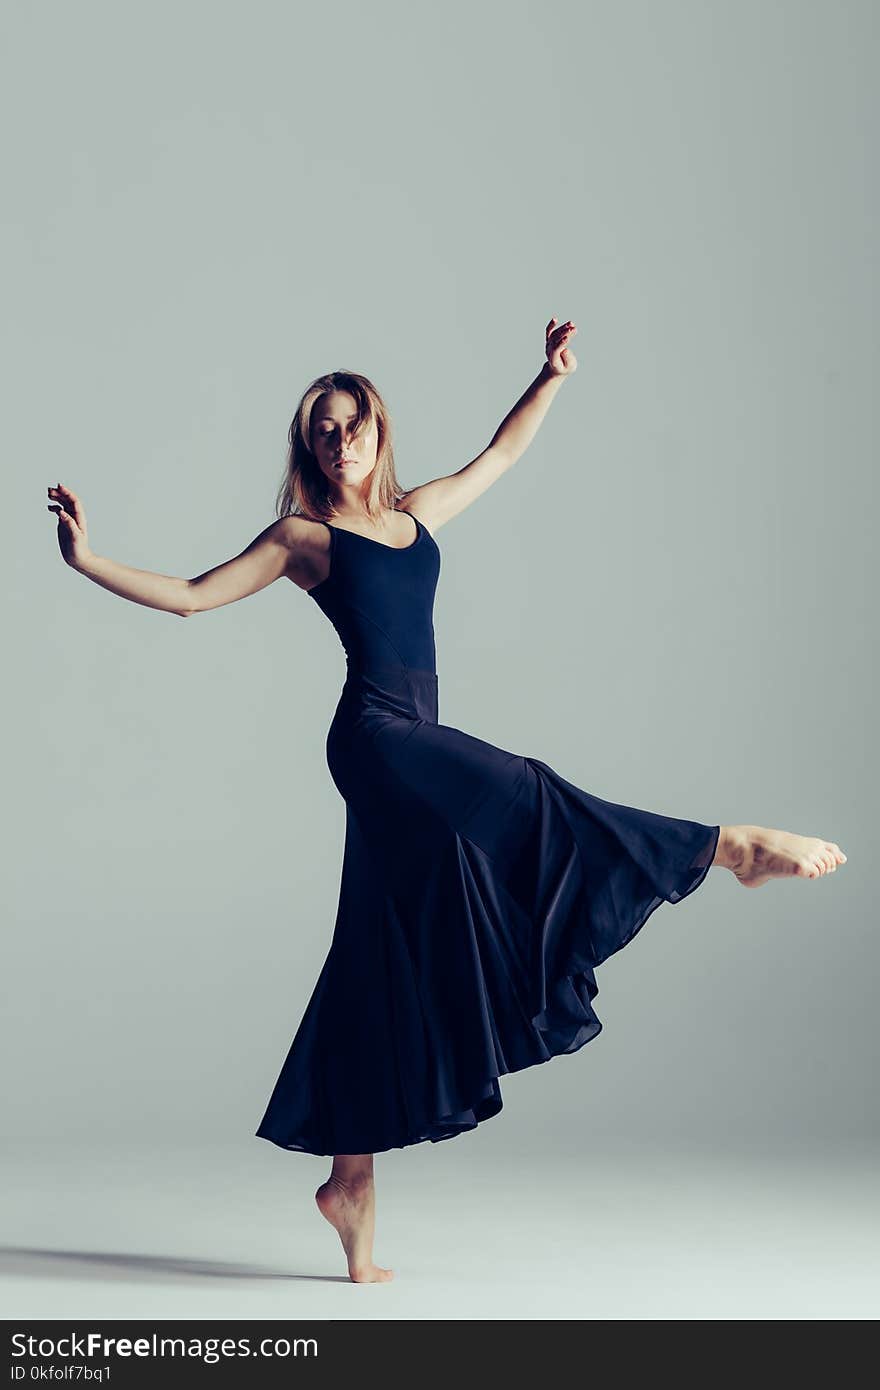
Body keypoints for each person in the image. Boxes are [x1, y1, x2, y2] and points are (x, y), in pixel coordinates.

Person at [47, 316, 846, 1285]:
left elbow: (502, 452)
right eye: (321, 431)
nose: (337, 442)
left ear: (379, 431)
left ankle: (349, 1185)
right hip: (381, 740)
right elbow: (189, 594)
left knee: (382, 943)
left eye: (351, 425)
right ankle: (726, 846)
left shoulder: (415, 514)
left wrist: (546, 376)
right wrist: (85, 558)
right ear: (310, 447)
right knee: (532, 794)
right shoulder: (307, 536)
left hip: (405, 745)